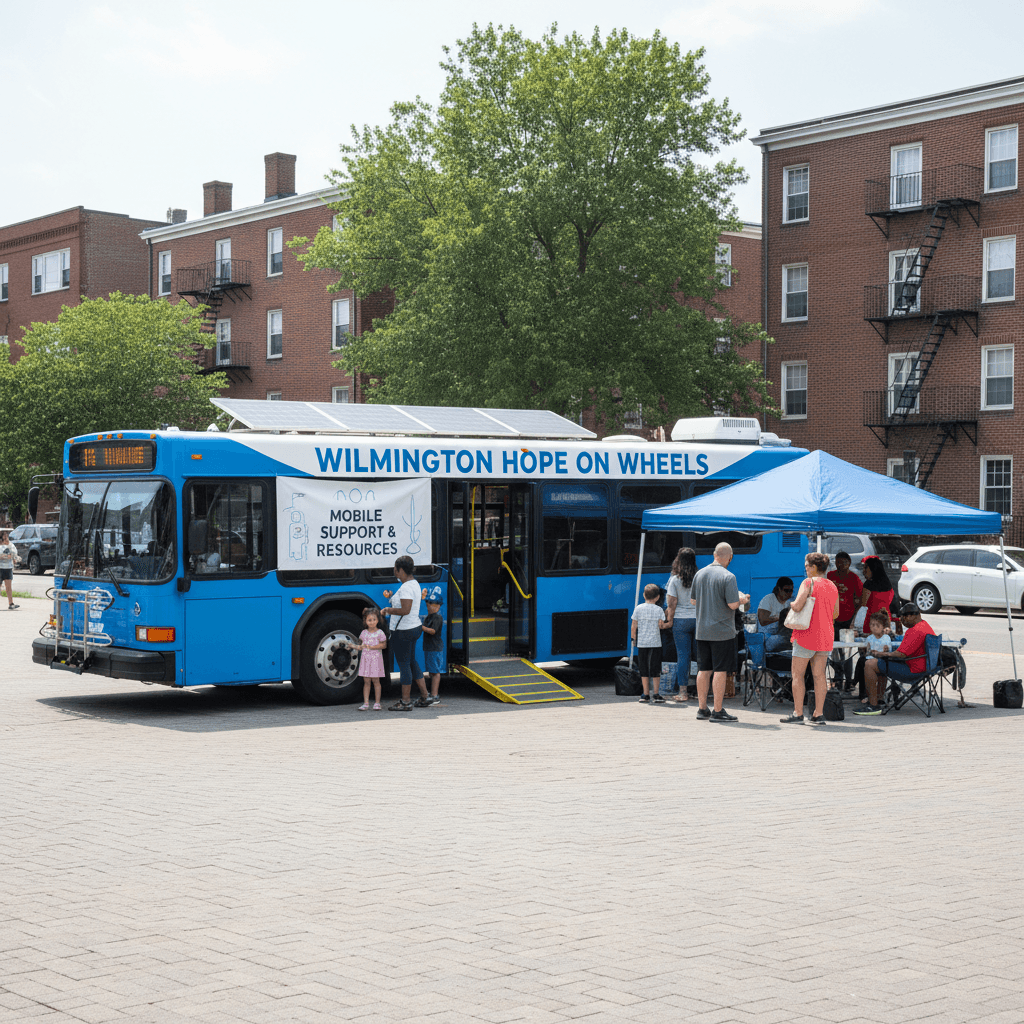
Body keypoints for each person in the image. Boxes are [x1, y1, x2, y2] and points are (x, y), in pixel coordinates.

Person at [691, 542, 750, 722]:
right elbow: (732, 605)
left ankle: (702, 709)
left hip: (702, 630)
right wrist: (742, 599)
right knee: (720, 670)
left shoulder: (699, 574)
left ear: (714, 554)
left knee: (704, 669)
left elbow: (693, 601)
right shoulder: (729, 576)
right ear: (730, 557)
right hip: (722, 631)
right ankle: (717, 711)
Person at [780, 551, 839, 726]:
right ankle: (818, 714)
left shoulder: (808, 582)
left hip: (806, 635)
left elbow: (797, 606)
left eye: (807, 566)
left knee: (797, 675)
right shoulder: (832, 586)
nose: (805, 569)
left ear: (814, 567)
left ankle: (798, 714)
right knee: (819, 676)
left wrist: (791, 603)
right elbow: (836, 613)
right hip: (825, 635)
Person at [855, 603, 935, 716]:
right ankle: (879, 699)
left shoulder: (914, 631)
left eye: (902, 618)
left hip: (912, 671)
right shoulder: (925, 625)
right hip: (926, 668)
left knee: (869, 664)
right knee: (880, 663)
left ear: (910, 616)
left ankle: (873, 705)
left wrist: (881, 653)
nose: (902, 621)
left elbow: (900, 654)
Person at [381, 555, 431, 711]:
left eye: (395, 569)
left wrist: (388, 610)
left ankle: (405, 701)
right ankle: (424, 696)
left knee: (404, 665)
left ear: (401, 570)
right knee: (411, 662)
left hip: (403, 631)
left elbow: (405, 610)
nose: (394, 572)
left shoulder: (406, 587)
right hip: (413, 628)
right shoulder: (414, 584)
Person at [664, 547, 697, 703]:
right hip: (698, 620)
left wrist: (669, 620)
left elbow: (672, 603)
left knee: (683, 656)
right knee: (701, 656)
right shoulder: (699, 577)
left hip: (681, 621)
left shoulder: (675, 579)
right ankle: (702, 690)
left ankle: (683, 692)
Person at [828, 553, 863, 687]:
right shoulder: (831, 576)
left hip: (848, 621)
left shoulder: (854, 578)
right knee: (834, 650)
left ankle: (848, 681)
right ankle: (838, 678)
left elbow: (860, 601)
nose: (840, 565)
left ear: (849, 562)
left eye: (843, 562)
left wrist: (854, 620)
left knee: (847, 651)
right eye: (837, 562)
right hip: (833, 620)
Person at [631, 582, 670, 703]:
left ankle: (645, 694)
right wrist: (669, 623)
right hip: (655, 643)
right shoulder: (659, 610)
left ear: (644, 595)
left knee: (643, 668)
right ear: (658, 597)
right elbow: (661, 625)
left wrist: (633, 639)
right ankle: (656, 694)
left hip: (642, 643)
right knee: (655, 669)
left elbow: (633, 626)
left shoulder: (638, 608)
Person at [355, 607, 387, 710]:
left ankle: (377, 703)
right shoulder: (364, 633)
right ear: (365, 621)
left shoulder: (380, 633)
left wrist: (372, 647)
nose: (372, 622)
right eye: (369, 620)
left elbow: (384, 645)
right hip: (366, 660)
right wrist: (358, 646)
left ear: (378, 620)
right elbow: (360, 644)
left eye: (374, 619)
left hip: (376, 660)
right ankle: (366, 703)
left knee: (376, 681)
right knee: (367, 681)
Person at [420, 584, 445, 706]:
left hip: (435, 648)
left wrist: (422, 627)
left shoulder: (437, 618)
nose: (430, 606)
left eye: (434, 604)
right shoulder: (429, 617)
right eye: (429, 603)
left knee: (435, 672)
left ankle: (435, 695)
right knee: (431, 671)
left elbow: (433, 631)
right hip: (429, 647)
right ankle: (433, 693)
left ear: (439, 606)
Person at [860, 557, 895, 621]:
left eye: (865, 568)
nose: (863, 571)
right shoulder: (888, 583)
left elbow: (863, 605)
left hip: (871, 621)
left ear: (873, 568)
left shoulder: (868, 585)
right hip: (885, 619)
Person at [0, 530, 20, 609]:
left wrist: (14, 558)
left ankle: (11, 603)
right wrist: (4, 556)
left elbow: (15, 554)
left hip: (8, 568)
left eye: (7, 535)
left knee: (8, 587)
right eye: (4, 536)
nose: (6, 537)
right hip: (0, 568)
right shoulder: (0, 546)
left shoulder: (11, 545)